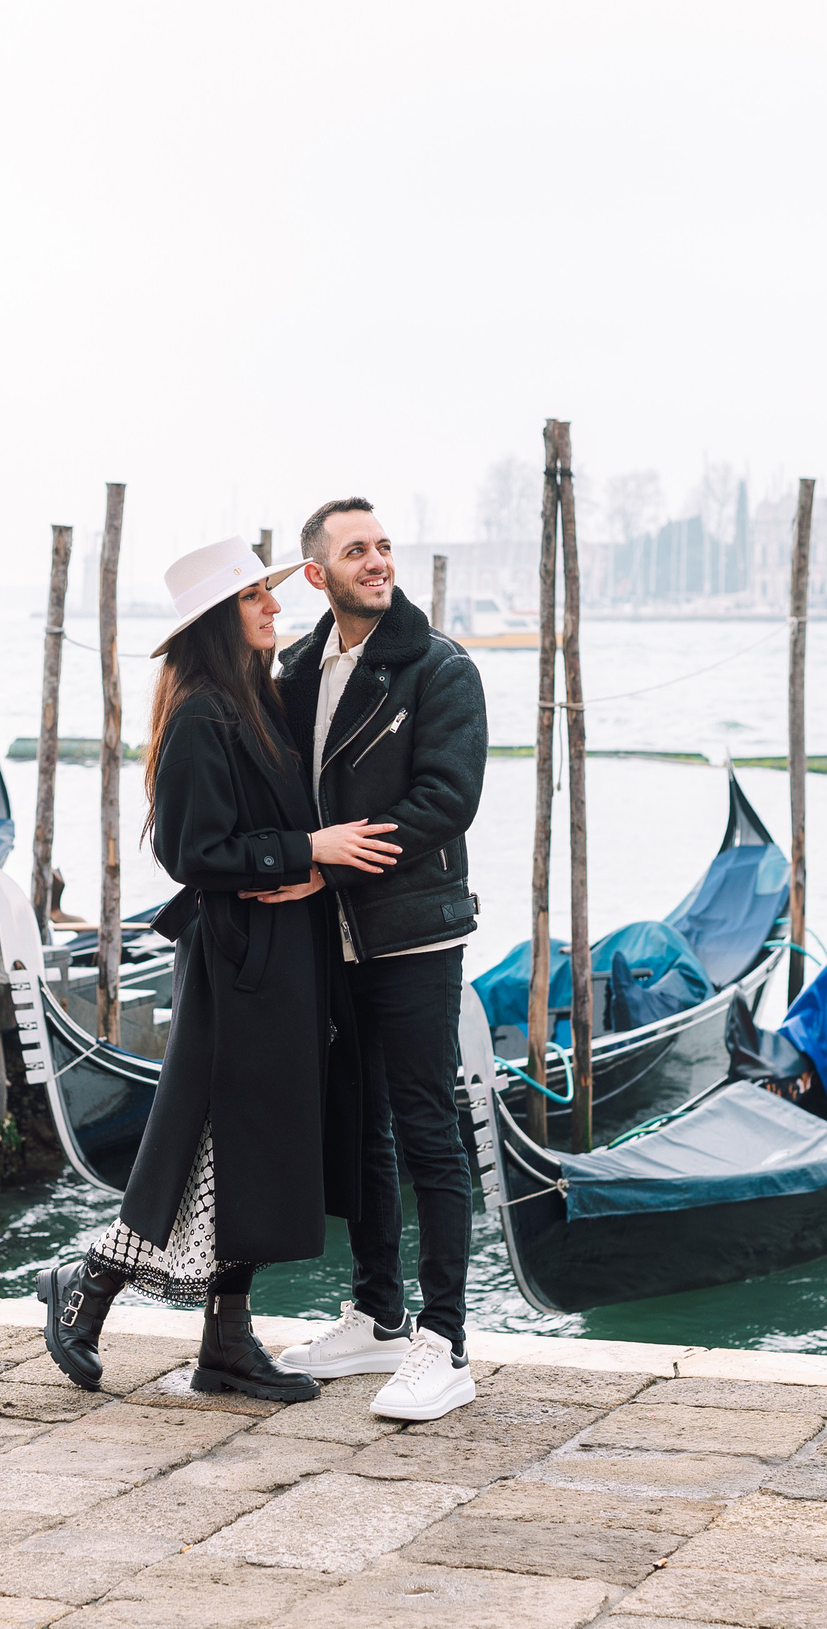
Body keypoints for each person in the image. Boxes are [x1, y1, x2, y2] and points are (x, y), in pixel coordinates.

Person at [35, 535, 401, 1400]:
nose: (275, 607)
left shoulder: (261, 699)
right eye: (255, 599)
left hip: (279, 959)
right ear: (215, 624)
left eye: (271, 595)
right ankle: (90, 1282)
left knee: (248, 1153)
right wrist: (305, 849)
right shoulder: (203, 712)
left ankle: (221, 1340)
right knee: (216, 1146)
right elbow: (191, 850)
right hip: (240, 964)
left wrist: (304, 863)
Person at [270, 497, 488, 1421]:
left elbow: (449, 798)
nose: (376, 561)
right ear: (316, 573)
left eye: (384, 546)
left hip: (412, 930)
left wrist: (339, 854)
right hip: (331, 935)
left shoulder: (439, 668)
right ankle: (377, 1316)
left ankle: (446, 1343)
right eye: (355, 550)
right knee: (356, 1126)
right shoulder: (290, 671)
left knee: (428, 1129)